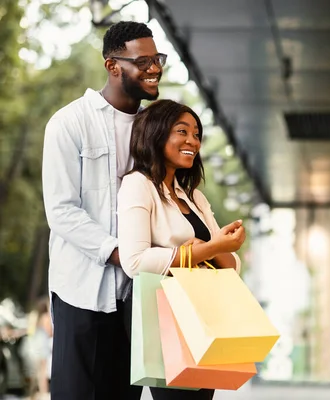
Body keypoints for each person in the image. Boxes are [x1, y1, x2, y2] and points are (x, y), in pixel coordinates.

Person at [41, 21, 165, 399]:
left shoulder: (155, 130)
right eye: (143, 61)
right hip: (81, 292)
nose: (155, 68)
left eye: (157, 59)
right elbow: (61, 211)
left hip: (138, 298)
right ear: (113, 66)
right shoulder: (69, 122)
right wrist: (123, 254)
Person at [117, 99, 246, 399]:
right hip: (164, 312)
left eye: (197, 134)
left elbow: (232, 265)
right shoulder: (138, 185)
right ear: (156, 133)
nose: (193, 141)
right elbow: (134, 261)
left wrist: (215, 246)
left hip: (203, 311)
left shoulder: (194, 198)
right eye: (182, 131)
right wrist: (204, 250)